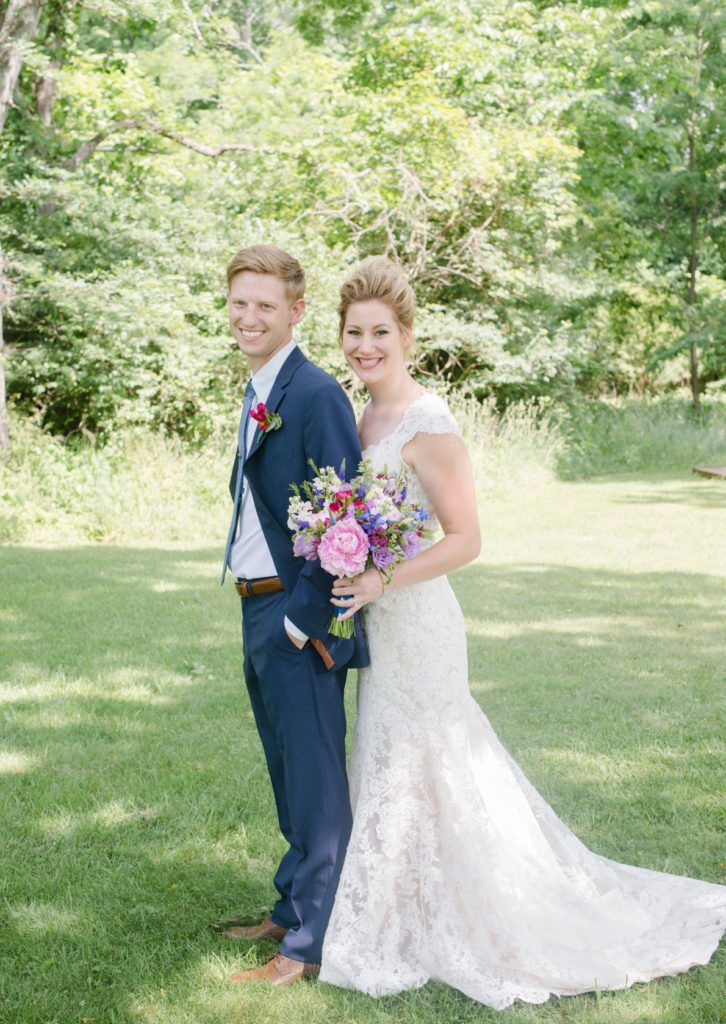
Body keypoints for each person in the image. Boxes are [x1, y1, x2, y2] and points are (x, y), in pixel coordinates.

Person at [318, 256, 726, 1008]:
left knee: (438, 760)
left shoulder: (426, 420)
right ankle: (395, 907)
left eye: (380, 332)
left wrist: (380, 577)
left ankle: (488, 912)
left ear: (407, 335)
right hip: (381, 626)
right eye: (353, 332)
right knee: (388, 759)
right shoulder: (356, 413)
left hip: (421, 621)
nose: (365, 345)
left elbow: (466, 539)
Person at [219, 245, 368, 987]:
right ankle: (288, 905)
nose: (249, 317)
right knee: (286, 772)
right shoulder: (258, 386)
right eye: (239, 303)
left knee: (314, 780)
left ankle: (305, 945)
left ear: (296, 312)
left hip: (296, 615)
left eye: (265, 306)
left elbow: (348, 519)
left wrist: (302, 622)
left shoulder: (314, 394)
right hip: (256, 604)